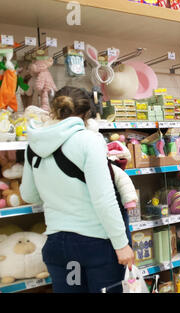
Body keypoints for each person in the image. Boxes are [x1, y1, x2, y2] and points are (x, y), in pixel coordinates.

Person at [19, 86, 135, 293]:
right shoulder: (89, 140)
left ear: (54, 110)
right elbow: (104, 199)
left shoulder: (33, 145)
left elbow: (29, 195)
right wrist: (121, 244)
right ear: (87, 115)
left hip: (57, 246)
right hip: (95, 246)